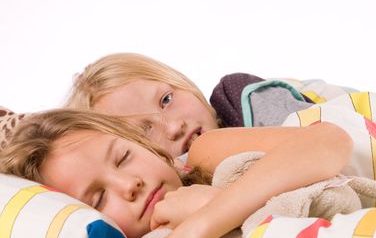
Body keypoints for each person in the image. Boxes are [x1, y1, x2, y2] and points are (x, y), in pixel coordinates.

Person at [0, 109, 352, 238]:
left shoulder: (202, 155)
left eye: (123, 157)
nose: (130, 184)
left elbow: (329, 141)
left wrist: (203, 222)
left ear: (142, 144)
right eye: (98, 197)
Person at [64, 53, 318, 162]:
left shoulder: (241, 100)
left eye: (166, 100)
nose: (174, 127)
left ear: (182, 83)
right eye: (144, 132)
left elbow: (326, 139)